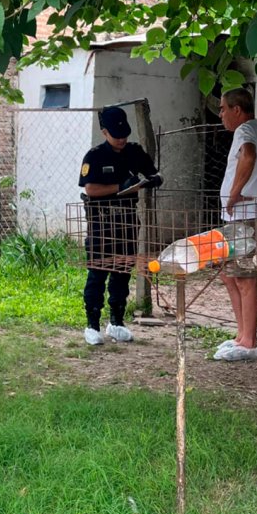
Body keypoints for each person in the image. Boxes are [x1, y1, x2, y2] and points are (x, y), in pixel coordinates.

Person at [79, 107, 162, 346]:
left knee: (122, 272)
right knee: (98, 272)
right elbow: (91, 189)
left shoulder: (134, 152)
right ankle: (92, 325)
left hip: (126, 221)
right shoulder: (94, 156)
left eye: (124, 133)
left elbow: (152, 173)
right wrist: (120, 187)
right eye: (116, 135)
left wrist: (154, 179)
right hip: (101, 223)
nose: (122, 139)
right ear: (104, 132)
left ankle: (116, 322)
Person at [214, 88, 257, 362]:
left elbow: (248, 156)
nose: (220, 114)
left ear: (236, 110)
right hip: (245, 216)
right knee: (229, 274)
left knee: (244, 277)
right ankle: (241, 336)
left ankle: (250, 343)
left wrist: (233, 194)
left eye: (223, 109)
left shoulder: (245, 131)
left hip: (247, 215)